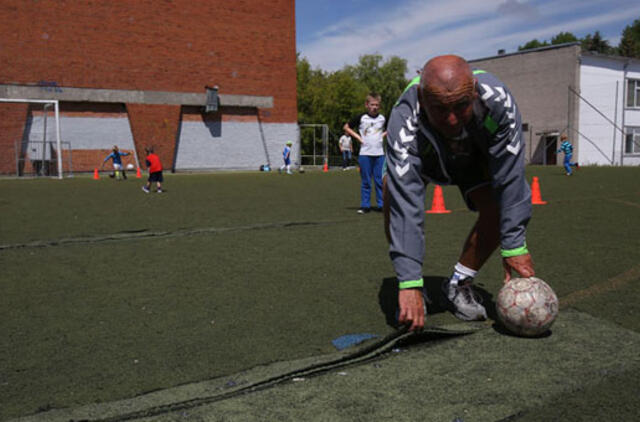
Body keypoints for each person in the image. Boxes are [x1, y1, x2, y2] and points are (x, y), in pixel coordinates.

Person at [384, 55, 535, 331]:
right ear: (421, 97)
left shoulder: (499, 102)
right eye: (440, 108)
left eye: (462, 106)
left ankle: (458, 283)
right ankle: (412, 287)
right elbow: (407, 203)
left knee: (499, 204)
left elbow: (511, 178)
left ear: (474, 89)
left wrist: (514, 244)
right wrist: (408, 281)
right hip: (427, 158)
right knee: (391, 190)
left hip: (472, 158)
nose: (452, 119)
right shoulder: (404, 118)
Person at [344, 93, 387, 214]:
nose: (374, 107)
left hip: (379, 154)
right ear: (367, 105)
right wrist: (359, 138)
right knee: (366, 181)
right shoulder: (361, 117)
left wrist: (382, 136)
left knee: (379, 181)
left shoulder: (383, 118)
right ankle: (365, 206)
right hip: (365, 153)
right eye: (372, 104)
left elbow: (392, 128)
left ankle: (381, 205)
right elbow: (346, 127)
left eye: (377, 105)